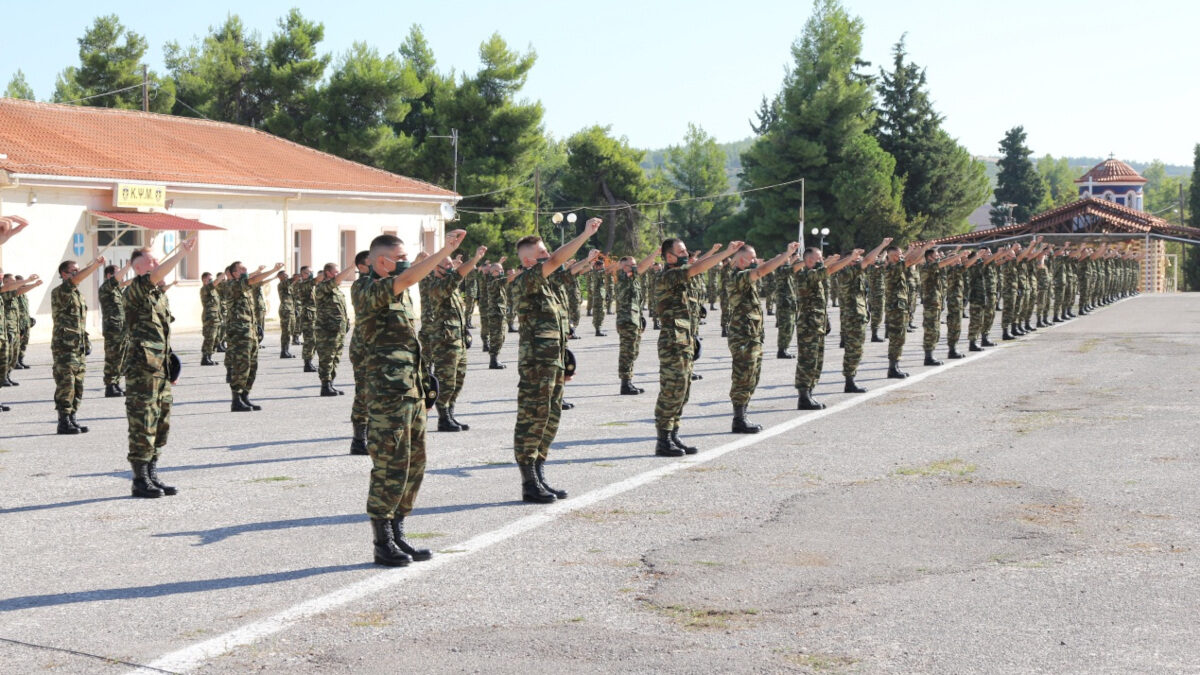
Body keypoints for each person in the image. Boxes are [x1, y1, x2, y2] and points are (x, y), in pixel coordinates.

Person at [360, 229, 466, 566]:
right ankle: (382, 542)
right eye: (401, 257)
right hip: (387, 395)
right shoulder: (365, 289)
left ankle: (399, 532)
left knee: (413, 465)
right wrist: (443, 251)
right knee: (389, 466)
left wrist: (424, 389)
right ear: (382, 261)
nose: (406, 262)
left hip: (411, 392)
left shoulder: (401, 291)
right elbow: (407, 278)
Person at [511, 218, 602, 502]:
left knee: (550, 418)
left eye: (546, 252)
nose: (547, 256)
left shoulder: (549, 283)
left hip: (553, 362)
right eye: (541, 254)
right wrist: (585, 234)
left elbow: (569, 268)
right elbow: (560, 257)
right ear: (528, 261)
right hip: (537, 364)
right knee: (532, 420)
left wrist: (587, 260)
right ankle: (528, 482)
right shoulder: (526, 280)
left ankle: (539, 475)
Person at [654, 238, 744, 457]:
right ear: (669, 257)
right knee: (671, 391)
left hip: (685, 341)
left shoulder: (685, 276)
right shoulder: (668, 275)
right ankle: (662, 440)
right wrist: (725, 252)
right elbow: (697, 267)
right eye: (681, 251)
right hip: (672, 344)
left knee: (683, 391)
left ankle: (673, 435)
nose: (686, 253)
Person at [123, 238, 195, 498]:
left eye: (156, 259)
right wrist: (182, 254)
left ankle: (153, 474)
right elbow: (156, 275)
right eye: (151, 261)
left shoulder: (158, 296)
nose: (156, 264)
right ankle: (139, 480)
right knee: (143, 423)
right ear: (137, 268)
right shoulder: (134, 290)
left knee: (161, 423)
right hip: (142, 371)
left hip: (159, 368)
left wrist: (171, 361)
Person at [726, 242, 799, 433]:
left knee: (752, 377)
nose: (755, 260)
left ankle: (743, 415)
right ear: (741, 260)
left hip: (752, 335)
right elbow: (762, 271)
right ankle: (738, 418)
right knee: (743, 377)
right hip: (742, 337)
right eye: (752, 258)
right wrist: (786, 254)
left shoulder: (746, 278)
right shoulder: (737, 277)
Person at [426, 244, 487, 431]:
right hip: (444, 342)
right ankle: (443, 418)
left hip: (457, 340)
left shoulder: (451, 288)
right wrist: (475, 260)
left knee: (457, 381)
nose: (451, 267)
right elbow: (457, 276)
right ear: (436, 268)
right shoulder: (436, 286)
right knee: (446, 381)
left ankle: (450, 414)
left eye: (451, 264)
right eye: (447, 265)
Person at [793, 247, 856, 410]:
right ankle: (804, 396)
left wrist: (826, 321)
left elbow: (819, 302)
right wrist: (850, 258)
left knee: (816, 361)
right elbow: (831, 269)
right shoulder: (805, 274)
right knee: (807, 361)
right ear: (808, 260)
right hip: (808, 326)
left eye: (821, 258)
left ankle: (809, 393)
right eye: (818, 258)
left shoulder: (814, 274)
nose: (821, 261)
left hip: (817, 324)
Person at [52, 255, 104, 434]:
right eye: (73, 271)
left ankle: (73, 417)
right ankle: (63, 421)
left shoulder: (78, 295)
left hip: (78, 347)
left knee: (78, 385)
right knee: (66, 383)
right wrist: (95, 265)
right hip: (64, 347)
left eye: (77, 270)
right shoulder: (61, 291)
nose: (76, 273)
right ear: (64, 274)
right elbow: (77, 279)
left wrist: (85, 340)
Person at [226, 261, 285, 411]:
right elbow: (253, 280)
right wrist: (273, 269)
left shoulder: (245, 287)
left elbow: (256, 281)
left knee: (252, 366)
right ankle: (236, 399)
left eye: (246, 267)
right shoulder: (233, 285)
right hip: (239, 334)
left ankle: (245, 396)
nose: (245, 269)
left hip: (250, 333)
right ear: (234, 273)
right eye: (241, 268)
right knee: (241, 366)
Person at [834, 238, 890, 393]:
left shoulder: (856, 273)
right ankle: (849, 381)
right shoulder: (845, 272)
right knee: (853, 350)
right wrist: (882, 245)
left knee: (856, 350)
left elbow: (868, 261)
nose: (858, 261)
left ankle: (851, 379)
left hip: (858, 317)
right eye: (854, 259)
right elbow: (868, 259)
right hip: (852, 318)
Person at [615, 251, 657, 395]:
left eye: (634, 264)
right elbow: (641, 267)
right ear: (623, 266)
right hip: (626, 321)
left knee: (633, 352)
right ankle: (625, 384)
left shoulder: (633, 280)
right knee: (627, 352)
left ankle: (628, 381)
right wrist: (656, 253)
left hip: (633, 320)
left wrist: (641, 319)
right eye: (631, 265)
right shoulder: (622, 277)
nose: (634, 267)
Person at [883, 243, 927, 379]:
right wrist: (924, 249)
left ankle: (894, 366)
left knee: (899, 338)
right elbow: (911, 260)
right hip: (895, 308)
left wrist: (915, 251)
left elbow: (912, 259)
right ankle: (892, 368)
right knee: (896, 338)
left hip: (900, 307)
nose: (898, 257)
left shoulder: (898, 267)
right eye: (895, 255)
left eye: (899, 255)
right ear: (889, 257)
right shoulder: (892, 268)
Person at [314, 262, 357, 396]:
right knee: (327, 358)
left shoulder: (337, 290)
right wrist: (351, 267)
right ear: (328, 273)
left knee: (335, 358)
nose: (338, 275)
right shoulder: (322, 287)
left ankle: (331, 384)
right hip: (326, 330)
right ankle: (324, 386)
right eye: (335, 272)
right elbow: (336, 281)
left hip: (338, 330)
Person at [347, 251, 372, 455]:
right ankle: (358, 439)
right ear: (362, 267)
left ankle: (374, 434)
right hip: (364, 348)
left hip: (379, 348)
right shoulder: (361, 284)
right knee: (364, 393)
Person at [98, 262, 133, 397]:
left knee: (120, 358)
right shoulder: (105, 288)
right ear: (109, 275)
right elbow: (120, 281)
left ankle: (115, 384)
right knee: (112, 358)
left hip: (122, 329)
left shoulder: (117, 290)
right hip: (113, 329)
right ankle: (109, 386)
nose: (121, 277)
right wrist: (129, 265)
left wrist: (143, 275)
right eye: (118, 273)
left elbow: (127, 282)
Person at [483, 260, 509, 369]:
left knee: (501, 337)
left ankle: (495, 359)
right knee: (496, 338)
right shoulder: (492, 282)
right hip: (495, 314)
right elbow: (507, 279)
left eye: (502, 270)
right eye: (498, 271)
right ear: (492, 272)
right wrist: (520, 273)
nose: (501, 272)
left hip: (500, 314)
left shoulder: (498, 281)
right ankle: (493, 361)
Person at [296, 266, 318, 371]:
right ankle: (307, 363)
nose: (310, 274)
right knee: (309, 340)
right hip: (307, 315)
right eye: (307, 273)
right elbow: (315, 280)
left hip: (313, 314)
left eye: (311, 272)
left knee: (313, 340)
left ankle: (309, 362)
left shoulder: (311, 285)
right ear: (302, 274)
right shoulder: (302, 284)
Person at [199, 272, 224, 365]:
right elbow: (214, 284)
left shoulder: (214, 290)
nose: (211, 281)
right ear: (204, 280)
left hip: (216, 317)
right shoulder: (204, 289)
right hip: (209, 317)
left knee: (215, 338)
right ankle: (205, 358)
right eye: (209, 280)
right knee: (210, 337)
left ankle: (209, 356)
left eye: (212, 280)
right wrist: (220, 278)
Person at [277, 270, 298, 359]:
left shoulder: (289, 286)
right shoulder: (281, 284)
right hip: (285, 310)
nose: (286, 276)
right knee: (286, 331)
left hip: (290, 309)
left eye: (287, 274)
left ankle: (286, 350)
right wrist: (296, 277)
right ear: (280, 277)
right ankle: (284, 351)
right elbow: (290, 281)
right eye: (285, 275)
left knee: (290, 331)